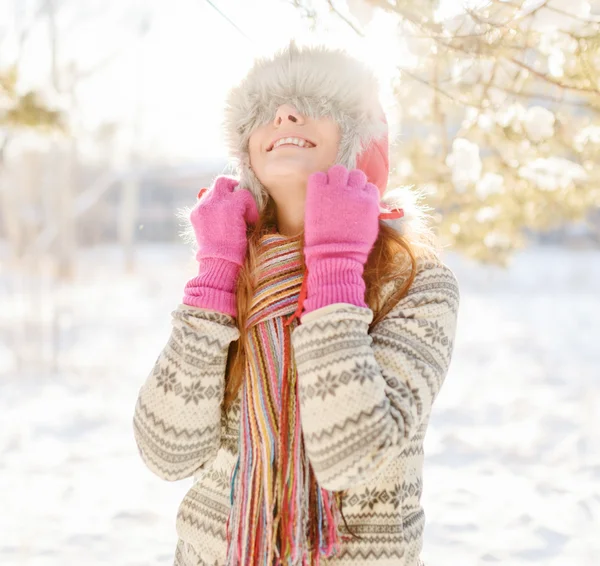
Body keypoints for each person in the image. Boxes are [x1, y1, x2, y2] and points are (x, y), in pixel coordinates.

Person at [133, 42, 460, 566]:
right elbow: (168, 452)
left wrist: (334, 264)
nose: (284, 115)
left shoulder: (413, 281)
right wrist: (216, 274)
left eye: (314, 103)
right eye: (264, 113)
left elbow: (351, 455)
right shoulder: (234, 270)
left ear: (361, 144)